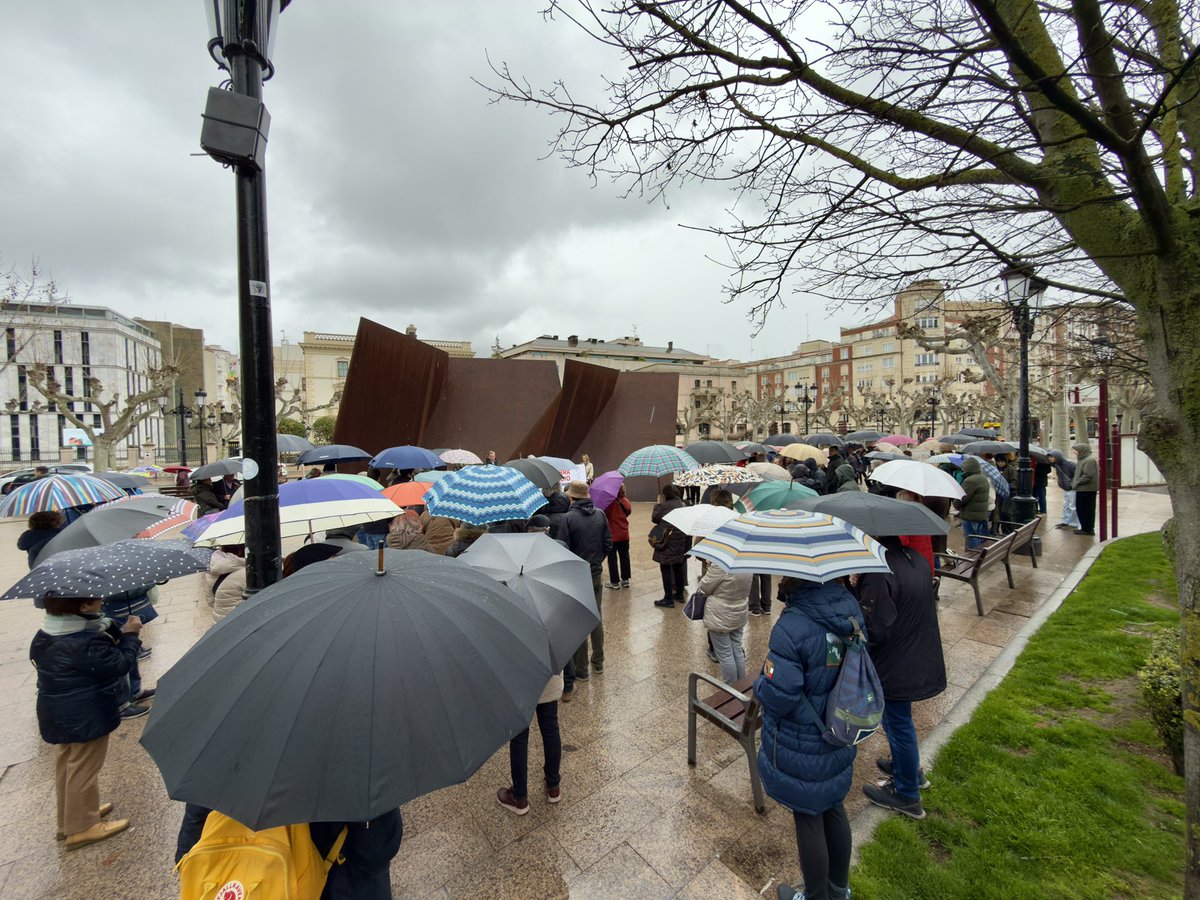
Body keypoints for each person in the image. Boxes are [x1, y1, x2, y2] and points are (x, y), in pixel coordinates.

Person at [755, 576, 863, 900]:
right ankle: (839, 890)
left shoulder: (793, 625)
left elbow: (780, 695)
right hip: (840, 729)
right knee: (834, 806)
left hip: (803, 741)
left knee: (808, 815)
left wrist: (762, 681)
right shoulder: (851, 609)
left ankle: (816, 896)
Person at [30, 595, 141, 849]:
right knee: (84, 768)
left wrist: (111, 628)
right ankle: (82, 828)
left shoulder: (48, 632)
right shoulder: (86, 641)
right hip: (85, 712)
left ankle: (70, 818)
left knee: (68, 764)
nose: (101, 602)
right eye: (95, 600)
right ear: (82, 607)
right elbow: (120, 664)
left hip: (56, 710)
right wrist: (131, 636)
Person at [854, 538, 945, 820]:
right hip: (915, 651)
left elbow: (875, 629)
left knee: (898, 724)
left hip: (895, 662)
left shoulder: (879, 570)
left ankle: (906, 794)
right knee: (902, 721)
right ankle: (909, 771)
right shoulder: (913, 558)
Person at [554, 481, 612, 681]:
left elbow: (563, 549)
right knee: (596, 617)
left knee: (579, 621)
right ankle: (599, 662)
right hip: (595, 573)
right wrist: (596, 562)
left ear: (572, 498)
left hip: (576, 576)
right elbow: (608, 544)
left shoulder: (568, 518)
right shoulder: (600, 514)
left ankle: (582, 669)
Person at [497, 670, 563, 815]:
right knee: (551, 729)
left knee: (519, 737)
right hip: (549, 676)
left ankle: (519, 797)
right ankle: (553, 786)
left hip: (518, 682)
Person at [697, 562, 752, 684]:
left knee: (725, 654)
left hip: (720, 615)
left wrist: (709, 567)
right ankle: (741, 686)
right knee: (737, 649)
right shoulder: (748, 564)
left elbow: (705, 586)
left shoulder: (721, 564)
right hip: (739, 611)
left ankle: (730, 690)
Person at [651, 484, 689, 608]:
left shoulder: (665, 505)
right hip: (680, 539)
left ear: (666, 494)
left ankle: (668, 598)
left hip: (667, 540)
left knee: (666, 567)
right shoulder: (683, 504)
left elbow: (655, 519)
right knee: (678, 565)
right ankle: (679, 594)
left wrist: (657, 505)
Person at [204, 544, 248, 622]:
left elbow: (210, 601)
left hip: (220, 623)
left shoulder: (211, 568)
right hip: (239, 622)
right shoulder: (244, 574)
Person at [955, 457, 990, 550]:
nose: (963, 469)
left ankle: (972, 560)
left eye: (964, 468)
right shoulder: (983, 478)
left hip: (970, 515)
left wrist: (955, 504)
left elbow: (962, 498)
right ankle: (978, 557)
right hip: (980, 514)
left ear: (969, 468)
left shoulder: (970, 480)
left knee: (972, 539)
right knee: (979, 537)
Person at [604, 483, 632, 589]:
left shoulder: (609, 503)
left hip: (612, 535)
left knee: (612, 558)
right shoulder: (626, 501)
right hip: (624, 534)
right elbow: (628, 512)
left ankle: (614, 582)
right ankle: (625, 580)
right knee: (625, 556)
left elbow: (604, 514)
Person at [1072, 442, 1099, 536]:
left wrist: (1077, 483)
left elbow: (1087, 476)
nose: (1075, 453)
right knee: (1081, 509)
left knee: (1087, 510)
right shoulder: (1082, 459)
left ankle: (1088, 529)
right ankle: (1085, 528)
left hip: (1087, 490)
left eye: (1076, 451)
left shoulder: (1089, 460)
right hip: (1082, 489)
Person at [1049, 449, 1079, 529]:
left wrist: (1073, 484)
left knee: (1072, 506)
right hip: (1066, 487)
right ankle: (1066, 521)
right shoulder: (1057, 464)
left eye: (1051, 457)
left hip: (1071, 487)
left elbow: (1077, 474)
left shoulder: (1068, 464)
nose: (1050, 458)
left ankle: (1073, 523)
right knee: (1066, 505)